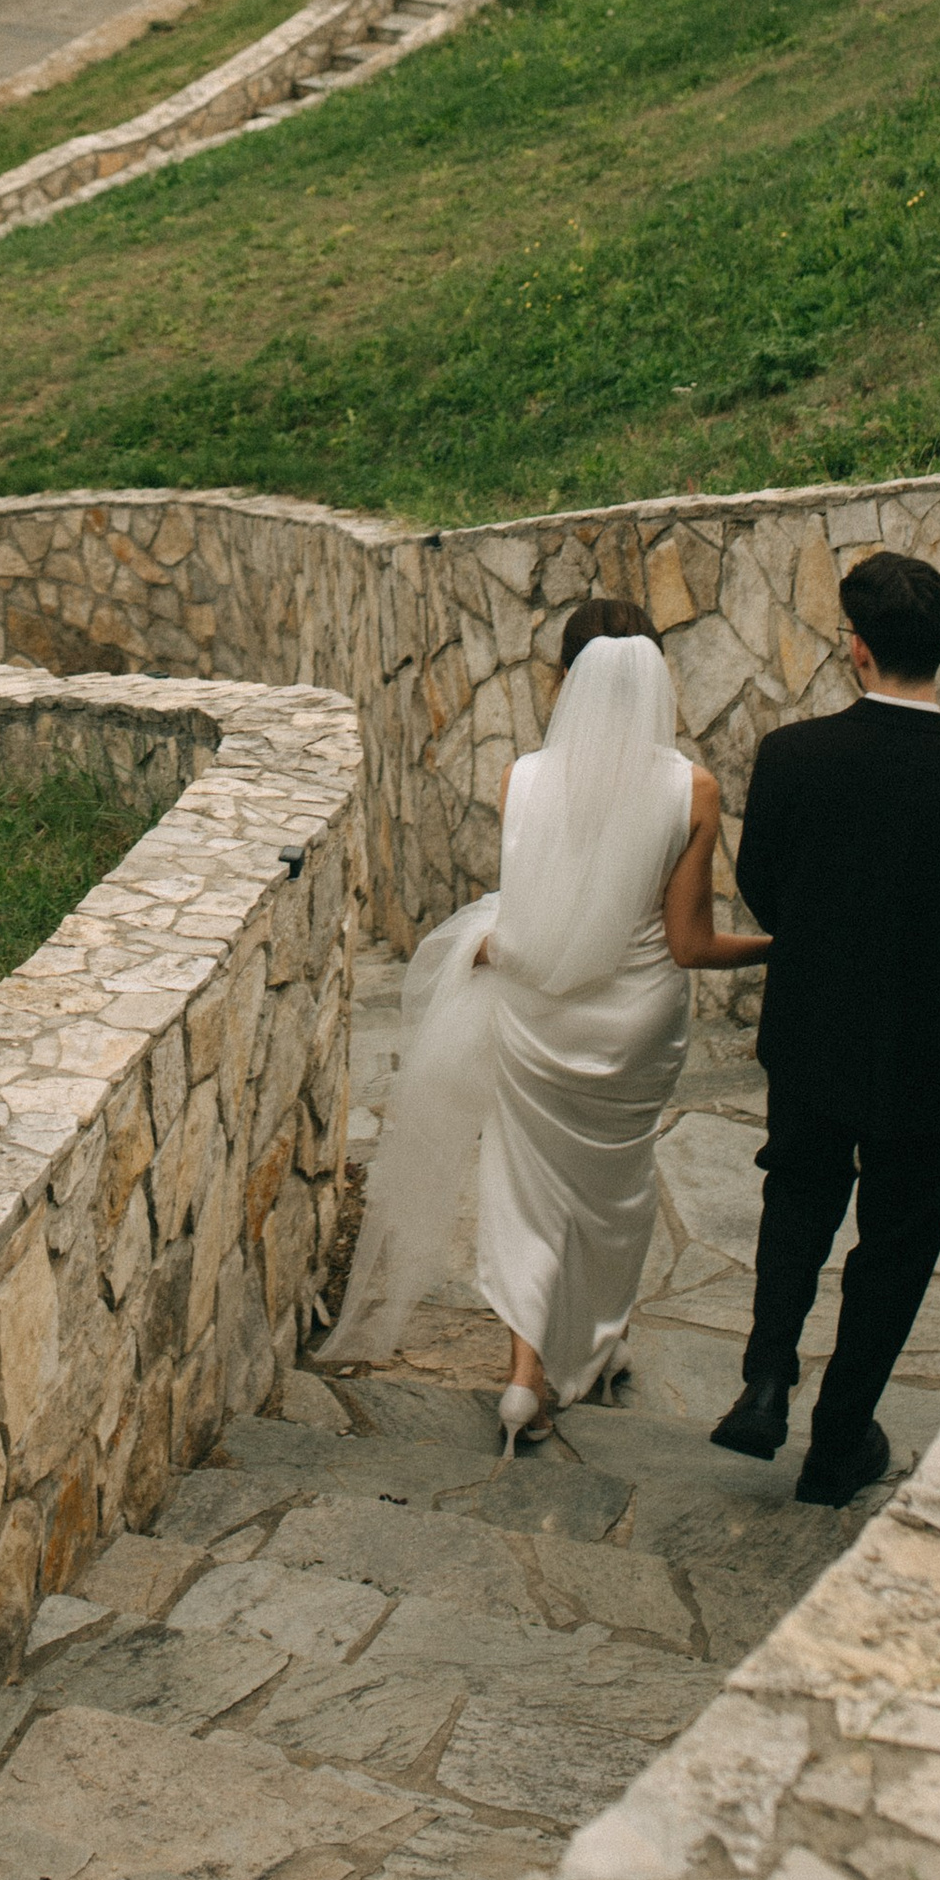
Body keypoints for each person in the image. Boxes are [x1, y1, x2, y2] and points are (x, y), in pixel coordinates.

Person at [322, 593, 769, 1449]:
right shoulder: (693, 791)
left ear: (566, 681)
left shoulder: (521, 779)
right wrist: (783, 946)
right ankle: (598, 1341)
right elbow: (689, 945)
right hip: (636, 1028)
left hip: (538, 1019)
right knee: (614, 1192)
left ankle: (524, 1377)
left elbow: (537, 919)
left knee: (525, 1189)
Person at [711, 547, 940, 1510]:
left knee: (797, 1194)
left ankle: (766, 1378)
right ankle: (837, 1445)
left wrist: (823, 942)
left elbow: (762, 885)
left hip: (814, 1030)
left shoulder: (792, 756)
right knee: (896, 1247)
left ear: (856, 647)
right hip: (937, 1061)